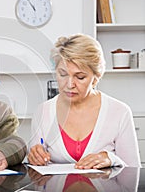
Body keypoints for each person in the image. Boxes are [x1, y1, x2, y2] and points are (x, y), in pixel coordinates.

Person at [28, 33, 141, 169]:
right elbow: (36, 168)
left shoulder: (119, 112)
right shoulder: (43, 111)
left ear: (95, 78)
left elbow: (133, 172)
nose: (69, 84)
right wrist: (34, 157)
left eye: (80, 77)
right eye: (63, 74)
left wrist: (111, 159)